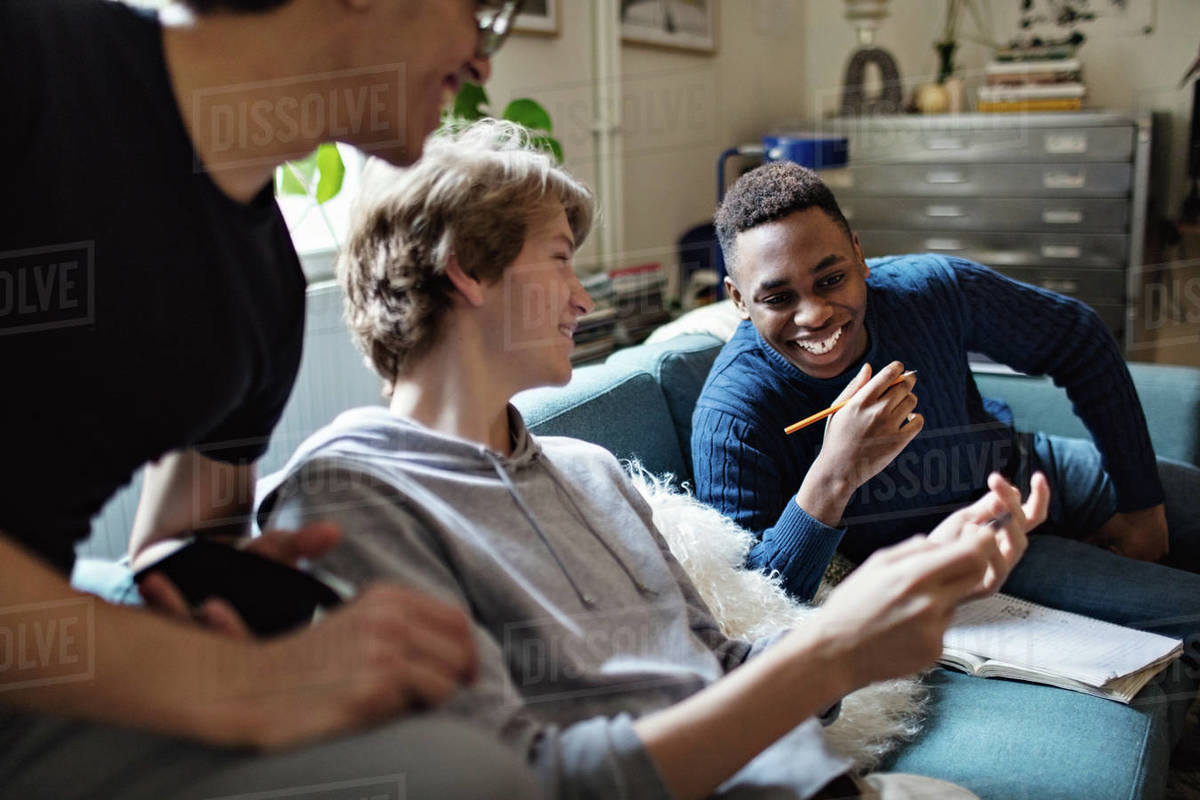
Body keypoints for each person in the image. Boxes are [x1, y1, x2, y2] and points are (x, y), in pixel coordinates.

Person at [258, 119, 1049, 799]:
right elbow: (519, 782)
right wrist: (829, 649)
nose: (584, 298)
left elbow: (729, 669)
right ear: (467, 268)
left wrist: (915, 583)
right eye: (561, 260)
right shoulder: (350, 495)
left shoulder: (589, 471)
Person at [0, 0, 541, 796]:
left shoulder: (263, 295)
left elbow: (171, 556)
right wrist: (238, 685)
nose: (484, 59)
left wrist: (227, 590)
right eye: (480, 13)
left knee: (461, 762)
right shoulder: (33, 60)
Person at [690, 161, 1200, 744]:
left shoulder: (930, 290)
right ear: (737, 298)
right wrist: (834, 474)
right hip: (975, 558)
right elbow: (754, 612)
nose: (815, 316)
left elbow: (1079, 338)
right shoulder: (733, 416)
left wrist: (1141, 506)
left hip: (1030, 471)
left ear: (859, 254)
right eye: (778, 298)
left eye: (831, 279)